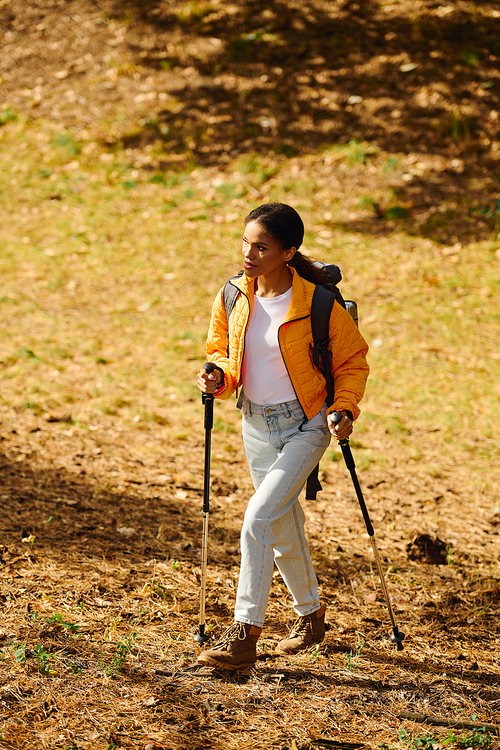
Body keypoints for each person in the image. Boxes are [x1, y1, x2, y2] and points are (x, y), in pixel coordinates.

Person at [196, 202, 369, 670]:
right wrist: (217, 375)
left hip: (306, 424)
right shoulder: (234, 295)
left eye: (261, 247)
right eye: (246, 243)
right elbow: (224, 352)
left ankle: (244, 632)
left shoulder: (318, 303)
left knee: (256, 518)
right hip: (254, 422)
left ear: (288, 252)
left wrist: (344, 408)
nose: (248, 254)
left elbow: (352, 363)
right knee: (280, 526)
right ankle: (311, 616)